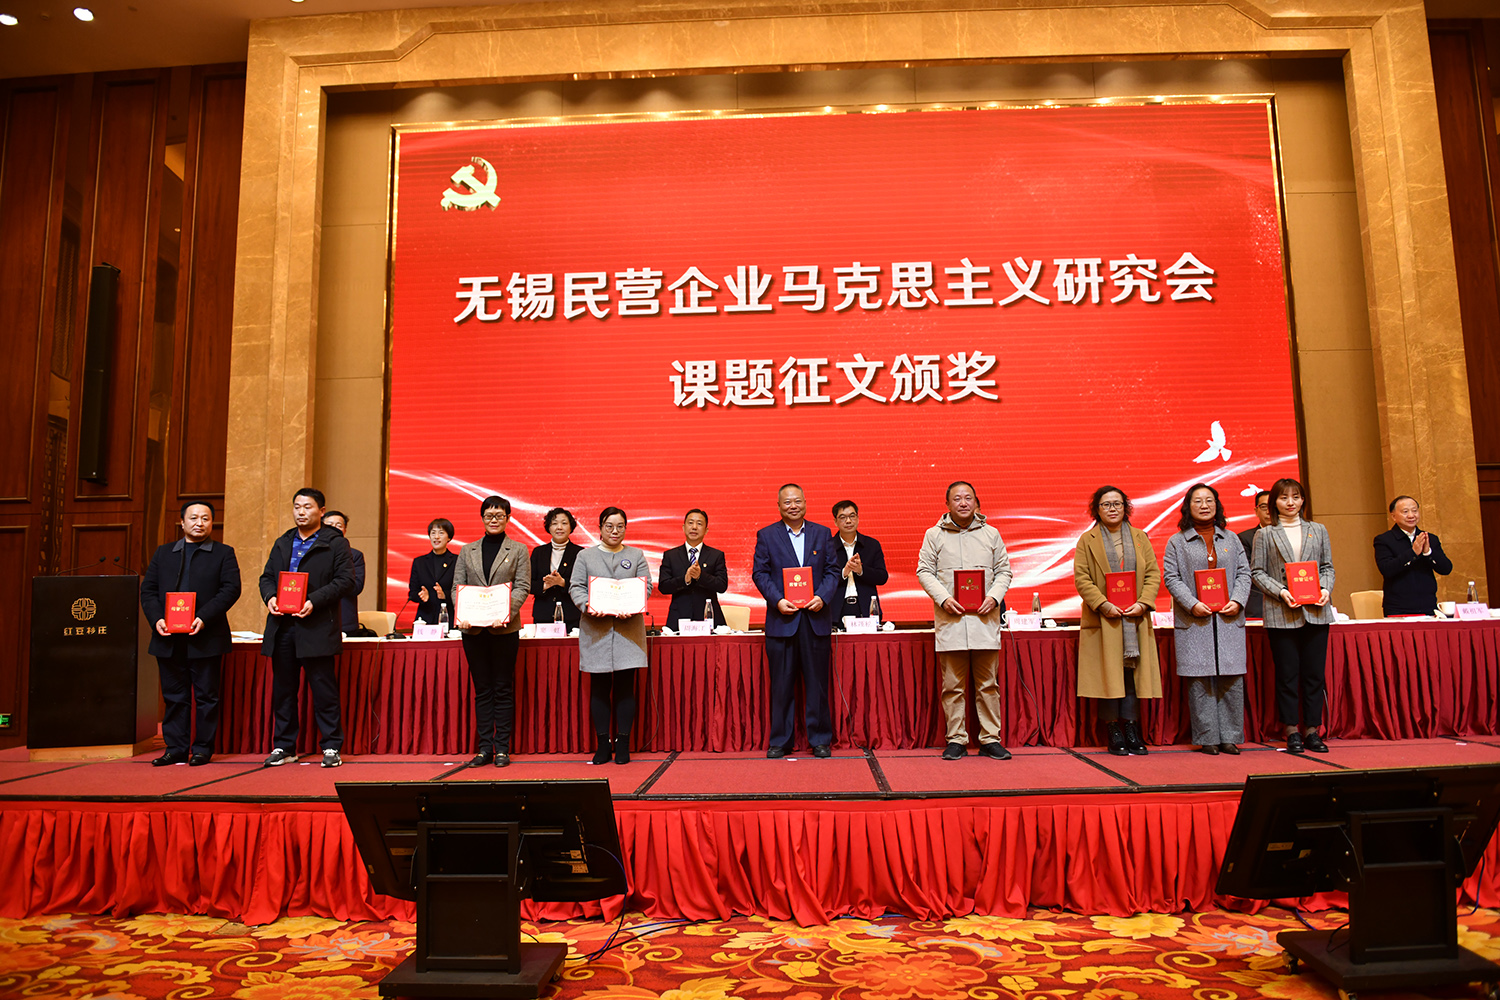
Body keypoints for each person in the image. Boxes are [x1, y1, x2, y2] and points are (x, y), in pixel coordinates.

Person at [915, 481, 1014, 760]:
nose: (963, 503)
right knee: (952, 686)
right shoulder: (934, 535)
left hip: (984, 620)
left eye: (968, 498)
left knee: (988, 685)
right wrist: (944, 598)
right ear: (947, 504)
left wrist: (994, 597)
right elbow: (924, 571)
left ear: (976, 503)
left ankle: (990, 739)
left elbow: (1004, 571)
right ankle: (956, 739)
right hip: (952, 619)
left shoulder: (991, 533)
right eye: (957, 498)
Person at [139, 501, 242, 766]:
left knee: (207, 696)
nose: (199, 523)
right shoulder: (164, 553)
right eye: (194, 518)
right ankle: (175, 748)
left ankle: (202, 749)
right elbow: (148, 590)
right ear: (182, 522)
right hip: (168, 637)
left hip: (205, 635)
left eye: (205, 518)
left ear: (212, 523)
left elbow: (230, 589)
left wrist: (203, 617)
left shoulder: (223, 553)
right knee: (174, 697)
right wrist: (157, 619)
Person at [259, 488, 353, 768]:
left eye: (307, 507)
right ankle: (284, 746)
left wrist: (314, 600)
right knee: (283, 691)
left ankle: (331, 746)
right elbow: (266, 577)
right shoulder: (283, 541)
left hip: (317, 626)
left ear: (321, 511)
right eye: (297, 507)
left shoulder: (335, 543)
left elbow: (345, 581)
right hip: (283, 626)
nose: (301, 512)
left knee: (324, 690)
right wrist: (270, 597)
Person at [751, 484, 840, 758]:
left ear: (805, 503)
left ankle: (820, 739)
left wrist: (822, 597)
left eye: (797, 501)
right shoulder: (767, 535)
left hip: (815, 619)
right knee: (781, 685)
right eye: (787, 502)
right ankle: (781, 740)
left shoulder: (822, 533)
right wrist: (777, 600)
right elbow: (760, 573)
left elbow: (833, 570)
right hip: (782, 621)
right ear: (779, 506)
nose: (793, 506)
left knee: (817, 684)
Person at [1072, 486, 1161, 756]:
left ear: (1126, 508)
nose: (1112, 509)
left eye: (1117, 504)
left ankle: (1132, 728)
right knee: (1108, 675)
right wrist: (1103, 604)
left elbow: (1153, 574)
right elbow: (1082, 578)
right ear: (1097, 510)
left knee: (1132, 675)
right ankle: (1113, 730)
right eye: (1106, 504)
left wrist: (1143, 603)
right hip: (1104, 619)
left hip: (1135, 618)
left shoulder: (1140, 537)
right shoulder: (1087, 540)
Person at [1163, 483, 1251, 755]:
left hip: (1228, 619)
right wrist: (1192, 604)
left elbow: (1244, 574)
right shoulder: (1177, 541)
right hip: (1195, 620)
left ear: (1217, 505)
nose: (1204, 505)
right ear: (1188, 507)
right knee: (1200, 682)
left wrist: (1238, 600)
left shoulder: (1231, 539)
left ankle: (1230, 737)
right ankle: (1208, 737)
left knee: (1231, 679)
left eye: (1209, 500)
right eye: (1198, 501)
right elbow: (1171, 578)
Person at [1252, 477, 1336, 754]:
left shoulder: (1318, 530)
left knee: (1314, 675)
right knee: (1287, 674)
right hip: (1282, 612)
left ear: (1303, 500)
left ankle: (1312, 730)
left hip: (1316, 611)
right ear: (1274, 502)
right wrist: (1281, 592)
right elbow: (1257, 572)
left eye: (1296, 497)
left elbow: (1327, 567)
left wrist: (1325, 589)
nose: (1290, 502)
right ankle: (1291, 730)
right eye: (1284, 497)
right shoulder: (1266, 534)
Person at [569, 507, 652, 765]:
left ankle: (623, 742)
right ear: (600, 528)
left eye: (620, 526)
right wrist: (588, 606)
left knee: (626, 688)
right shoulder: (585, 556)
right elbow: (576, 587)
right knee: (600, 688)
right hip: (596, 631)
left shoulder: (636, 555)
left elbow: (646, 586)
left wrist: (634, 605)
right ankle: (603, 744)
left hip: (629, 631)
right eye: (609, 526)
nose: (615, 531)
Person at [452, 495, 530, 767]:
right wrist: (461, 613)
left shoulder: (518, 549)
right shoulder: (467, 550)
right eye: (489, 515)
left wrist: (505, 612)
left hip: (504, 630)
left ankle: (502, 749)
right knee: (482, 690)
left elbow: (522, 586)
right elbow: (457, 586)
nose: (494, 520)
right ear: (482, 517)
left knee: (503, 688)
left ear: (507, 518)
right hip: (473, 631)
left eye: (499, 515)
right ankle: (485, 748)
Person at [1374, 495, 1453, 616]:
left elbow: (1446, 569)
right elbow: (1387, 569)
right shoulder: (1384, 540)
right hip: (1398, 608)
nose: (1411, 515)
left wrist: (1428, 552)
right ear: (1393, 516)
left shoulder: (1430, 538)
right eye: (1405, 512)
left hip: (1428, 606)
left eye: (1414, 511)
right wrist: (1413, 553)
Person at [658, 508, 729, 628]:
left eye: (699, 524)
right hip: (679, 618)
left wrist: (701, 576)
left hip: (708, 618)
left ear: (706, 530)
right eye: (690, 523)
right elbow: (663, 587)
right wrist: (685, 579)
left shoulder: (716, 555)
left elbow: (722, 585)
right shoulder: (671, 555)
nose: (694, 527)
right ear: (683, 527)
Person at [830, 500, 889, 623]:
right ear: (835, 521)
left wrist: (861, 571)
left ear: (857, 518)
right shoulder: (828, 547)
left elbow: (882, 577)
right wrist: (844, 572)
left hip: (866, 608)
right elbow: (822, 579)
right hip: (836, 611)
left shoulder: (871, 545)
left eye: (852, 516)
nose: (848, 521)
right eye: (843, 517)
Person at [530, 507, 583, 630]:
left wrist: (562, 583)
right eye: (554, 523)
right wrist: (545, 585)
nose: (559, 527)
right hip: (543, 615)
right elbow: (528, 583)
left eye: (564, 523)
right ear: (549, 527)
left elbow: (584, 584)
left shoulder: (580, 553)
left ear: (571, 527)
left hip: (571, 616)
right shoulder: (538, 552)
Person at [321, 511, 366, 636]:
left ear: (345, 530)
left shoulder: (355, 555)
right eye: (329, 524)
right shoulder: (311, 553)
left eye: (339, 525)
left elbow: (356, 587)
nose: (334, 528)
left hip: (344, 620)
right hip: (316, 618)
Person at [407, 517, 458, 626]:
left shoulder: (457, 561)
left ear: (449, 537)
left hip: (449, 617)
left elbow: (461, 591)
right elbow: (412, 593)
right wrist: (422, 596)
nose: (436, 537)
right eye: (433, 533)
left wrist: (445, 595)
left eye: (441, 533)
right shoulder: (419, 562)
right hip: (425, 618)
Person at [1236, 490, 1272, 619]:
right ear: (1256, 511)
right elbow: (1246, 573)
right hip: (1259, 603)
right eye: (1264, 507)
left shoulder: (1291, 536)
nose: (1269, 511)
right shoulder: (1245, 538)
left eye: (1272, 506)